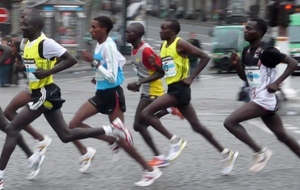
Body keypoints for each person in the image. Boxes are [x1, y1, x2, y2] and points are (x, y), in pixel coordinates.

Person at [0, 11, 133, 190]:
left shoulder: (46, 43)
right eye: (21, 24)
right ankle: (112, 130)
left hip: (45, 93)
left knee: (12, 128)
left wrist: (47, 72)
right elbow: (30, 61)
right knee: (66, 135)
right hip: (38, 92)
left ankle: (1, 175)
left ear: (36, 27)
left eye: (25, 25)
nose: (22, 27)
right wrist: (24, 66)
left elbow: (70, 59)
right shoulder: (25, 42)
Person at [68, 16, 162, 186]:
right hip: (101, 93)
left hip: (113, 96)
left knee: (123, 140)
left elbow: (112, 76)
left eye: (93, 27)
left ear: (103, 29)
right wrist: (97, 77)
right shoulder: (100, 44)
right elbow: (120, 61)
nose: (90, 30)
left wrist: (94, 63)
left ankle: (150, 170)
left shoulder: (109, 46)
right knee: (73, 125)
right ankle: (111, 141)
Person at [140, 19, 239, 175]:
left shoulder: (181, 44)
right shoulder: (163, 46)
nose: (160, 31)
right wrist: (155, 65)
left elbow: (205, 57)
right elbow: (165, 72)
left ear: (172, 32)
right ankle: (227, 153)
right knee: (197, 126)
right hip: (173, 88)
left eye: (163, 28)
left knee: (145, 113)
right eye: (160, 28)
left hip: (180, 89)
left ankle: (175, 141)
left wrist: (192, 77)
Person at [224, 18, 300, 172]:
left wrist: (276, 83)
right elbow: (246, 78)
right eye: (245, 28)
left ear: (259, 33)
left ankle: (260, 152)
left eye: (249, 29)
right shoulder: (246, 51)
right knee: (282, 136)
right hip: (258, 98)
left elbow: (293, 63)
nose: (245, 31)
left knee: (230, 122)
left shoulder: (267, 51)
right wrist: (237, 65)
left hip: (264, 99)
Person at [125, 22, 186, 167]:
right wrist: (138, 84)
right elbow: (144, 71)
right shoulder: (134, 49)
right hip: (146, 89)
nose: (125, 34)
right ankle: (169, 110)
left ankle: (173, 141)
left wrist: (139, 83)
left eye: (129, 32)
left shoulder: (146, 51)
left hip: (153, 90)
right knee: (140, 124)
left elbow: (161, 72)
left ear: (138, 35)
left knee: (140, 122)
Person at [4, 8, 52, 156]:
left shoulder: (42, 41)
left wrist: (46, 71)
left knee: (67, 131)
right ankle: (40, 138)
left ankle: (40, 139)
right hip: (32, 85)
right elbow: (26, 58)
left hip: (43, 88)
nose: (21, 21)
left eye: (24, 18)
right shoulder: (26, 38)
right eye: (20, 18)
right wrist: (21, 62)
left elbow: (62, 59)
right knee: (65, 132)